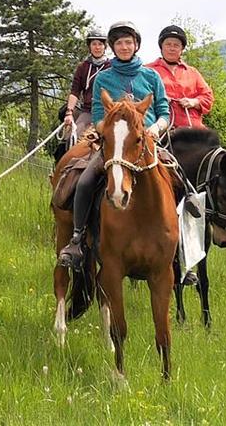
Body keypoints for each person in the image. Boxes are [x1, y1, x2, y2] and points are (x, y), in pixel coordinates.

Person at [57, 21, 170, 270]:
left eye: (128, 42)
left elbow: (164, 111)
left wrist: (155, 128)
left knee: (184, 184)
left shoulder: (151, 76)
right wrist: (107, 133)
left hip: (147, 143)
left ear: (136, 44)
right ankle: (76, 238)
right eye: (119, 43)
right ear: (113, 47)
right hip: (115, 145)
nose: (124, 46)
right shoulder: (104, 78)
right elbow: (97, 113)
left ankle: (180, 248)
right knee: (86, 180)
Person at [145, 25, 214, 130]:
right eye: (168, 44)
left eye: (176, 45)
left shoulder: (192, 72)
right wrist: (159, 100)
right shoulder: (147, 71)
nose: (172, 48)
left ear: (182, 49)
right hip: (161, 130)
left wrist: (194, 102)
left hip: (193, 129)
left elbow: (208, 97)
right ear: (161, 47)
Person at [64, 27, 111, 137]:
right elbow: (75, 91)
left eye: (100, 44)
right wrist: (69, 112)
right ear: (89, 46)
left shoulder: (112, 67)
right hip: (88, 111)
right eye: (94, 44)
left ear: (105, 46)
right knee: (73, 135)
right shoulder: (82, 67)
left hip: (109, 112)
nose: (97, 47)